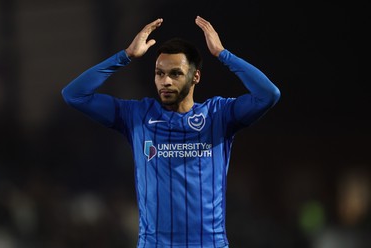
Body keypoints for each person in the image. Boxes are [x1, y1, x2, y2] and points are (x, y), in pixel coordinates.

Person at [62, 16, 280, 248]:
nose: (165, 81)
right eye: (159, 73)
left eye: (175, 73)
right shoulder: (137, 116)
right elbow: (74, 94)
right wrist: (125, 56)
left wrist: (222, 54)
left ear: (195, 76)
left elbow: (268, 95)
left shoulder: (219, 115)